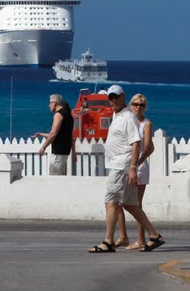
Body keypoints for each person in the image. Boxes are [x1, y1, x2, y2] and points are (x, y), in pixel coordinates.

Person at [87, 84, 164, 254]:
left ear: (123, 97)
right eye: (110, 97)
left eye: (116, 96)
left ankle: (108, 241)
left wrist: (133, 167)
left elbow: (136, 143)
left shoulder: (128, 118)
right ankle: (154, 235)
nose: (113, 100)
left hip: (121, 166)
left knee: (111, 202)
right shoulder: (118, 115)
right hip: (120, 165)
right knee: (131, 204)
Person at [113, 93, 154, 249]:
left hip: (138, 167)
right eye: (135, 104)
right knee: (117, 201)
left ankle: (141, 239)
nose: (138, 107)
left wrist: (136, 164)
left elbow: (149, 147)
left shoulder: (146, 124)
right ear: (130, 105)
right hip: (125, 165)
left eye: (141, 105)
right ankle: (123, 236)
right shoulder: (126, 121)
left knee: (135, 204)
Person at [32, 93, 74, 175]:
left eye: (50, 103)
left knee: (54, 176)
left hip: (58, 150)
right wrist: (41, 134)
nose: (49, 105)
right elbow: (60, 134)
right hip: (65, 150)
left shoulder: (58, 114)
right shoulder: (69, 115)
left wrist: (43, 147)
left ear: (55, 103)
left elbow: (53, 133)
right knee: (60, 176)